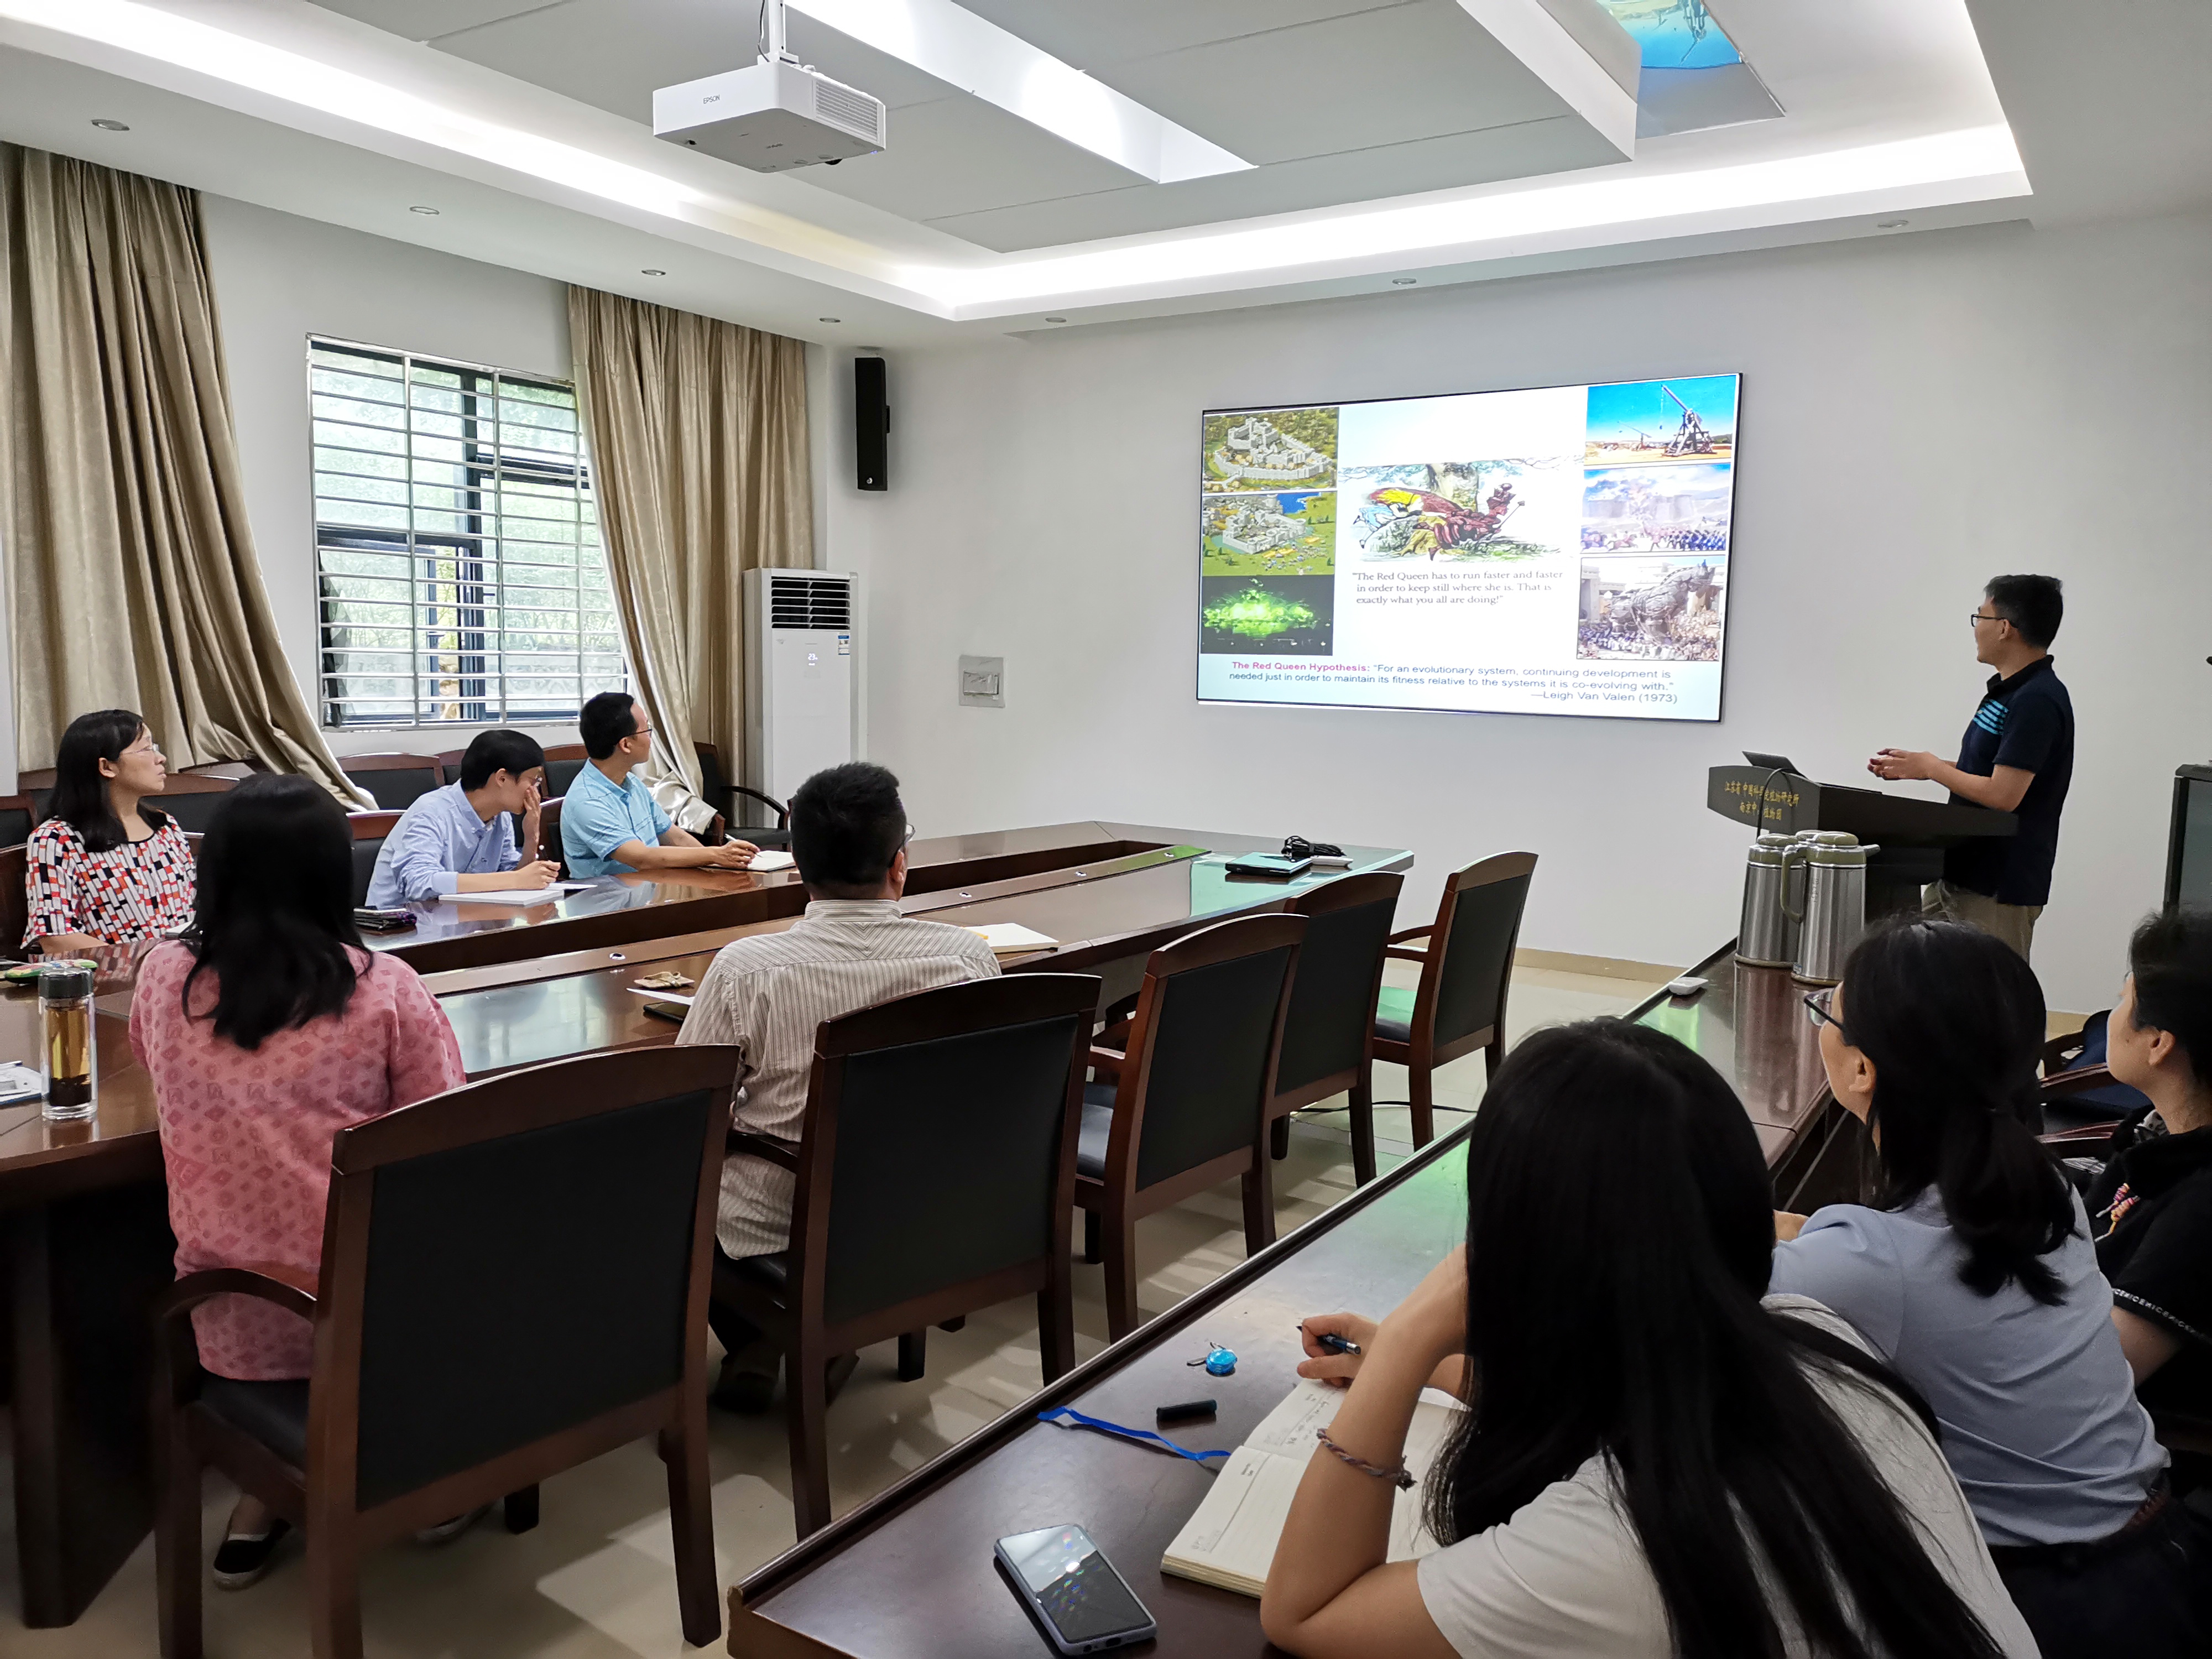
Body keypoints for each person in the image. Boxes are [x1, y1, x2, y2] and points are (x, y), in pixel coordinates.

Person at [1262, 1020, 2034, 1659]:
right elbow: (1614, 1389)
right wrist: (1434, 1368)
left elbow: (1309, 1610)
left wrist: (1405, 1340)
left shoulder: (1617, 1548)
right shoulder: (1817, 1338)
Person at [1771, 920, 2211, 1657]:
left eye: (1830, 1014)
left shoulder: (1871, 1261)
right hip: (2162, 1561)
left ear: (1861, 1073)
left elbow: (1709, 1283)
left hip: (2050, 1609)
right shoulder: (2039, 1189)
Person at [132, 775, 467, 1589]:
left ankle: (266, 1488)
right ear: (333, 873)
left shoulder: (163, 979)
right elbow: (446, 1139)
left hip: (227, 1315)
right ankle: (432, 1465)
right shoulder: (383, 988)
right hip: (371, 1320)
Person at [675, 761, 1000, 1409]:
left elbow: (688, 1106)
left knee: (673, 1188)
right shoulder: (968, 957)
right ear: (899, 865)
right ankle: (809, 1339)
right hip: (927, 1199)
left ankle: (764, 1338)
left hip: (783, 1212)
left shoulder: (747, 968)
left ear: (796, 866)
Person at [1869, 573, 2072, 959]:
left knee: (1992, 1002)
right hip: (1962, 870)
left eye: (1980, 617)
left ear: (2005, 629)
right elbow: (1992, 771)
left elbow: (2003, 795)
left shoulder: (2037, 701)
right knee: (1908, 967)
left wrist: (1931, 766)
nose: (1976, 628)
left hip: (1998, 883)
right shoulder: (2007, 692)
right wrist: (1918, 766)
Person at [2086, 908, 2212, 1416]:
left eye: (2123, 1000)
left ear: (2159, 1043)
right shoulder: (2157, 1138)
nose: (2113, 1016)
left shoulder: (2200, 1210)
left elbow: (2092, 1381)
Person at [25, 708, 195, 954]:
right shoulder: (55, 840)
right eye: (146, 749)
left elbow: (194, 912)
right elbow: (56, 937)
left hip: (178, 974)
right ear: (107, 767)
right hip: (108, 983)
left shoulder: (166, 827)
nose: (161, 758)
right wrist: (146, 966)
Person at [560, 692, 755, 879]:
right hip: (606, 904)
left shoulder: (633, 785)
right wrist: (715, 855)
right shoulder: (587, 801)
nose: (650, 737)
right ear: (626, 744)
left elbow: (675, 838)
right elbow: (641, 859)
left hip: (649, 891)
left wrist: (717, 864)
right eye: (647, 729)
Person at [363, 728, 559, 907]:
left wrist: (532, 835)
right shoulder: (432, 811)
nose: (536, 790)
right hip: (398, 930)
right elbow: (419, 883)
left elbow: (517, 879)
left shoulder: (501, 817)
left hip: (459, 922)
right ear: (502, 778)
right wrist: (516, 880)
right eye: (533, 780)